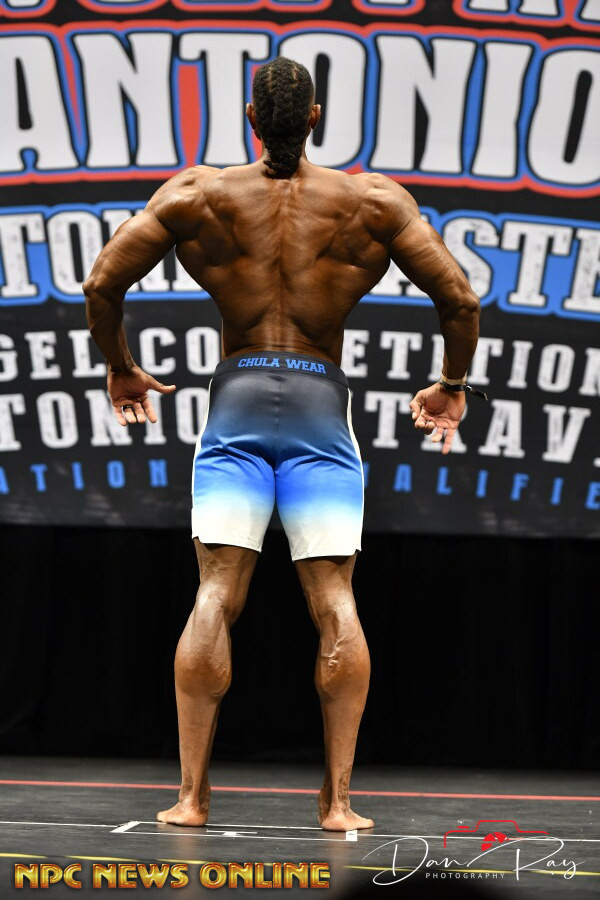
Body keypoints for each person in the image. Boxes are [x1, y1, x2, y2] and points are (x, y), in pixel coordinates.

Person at [83, 56, 480, 832]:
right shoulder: (372, 201)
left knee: (214, 595)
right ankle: (339, 804)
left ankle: (192, 799)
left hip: (236, 403)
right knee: (334, 601)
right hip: (319, 410)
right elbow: (460, 300)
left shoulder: (198, 193)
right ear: (316, 117)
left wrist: (121, 367)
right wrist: (450, 386)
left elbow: (102, 283)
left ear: (250, 119)